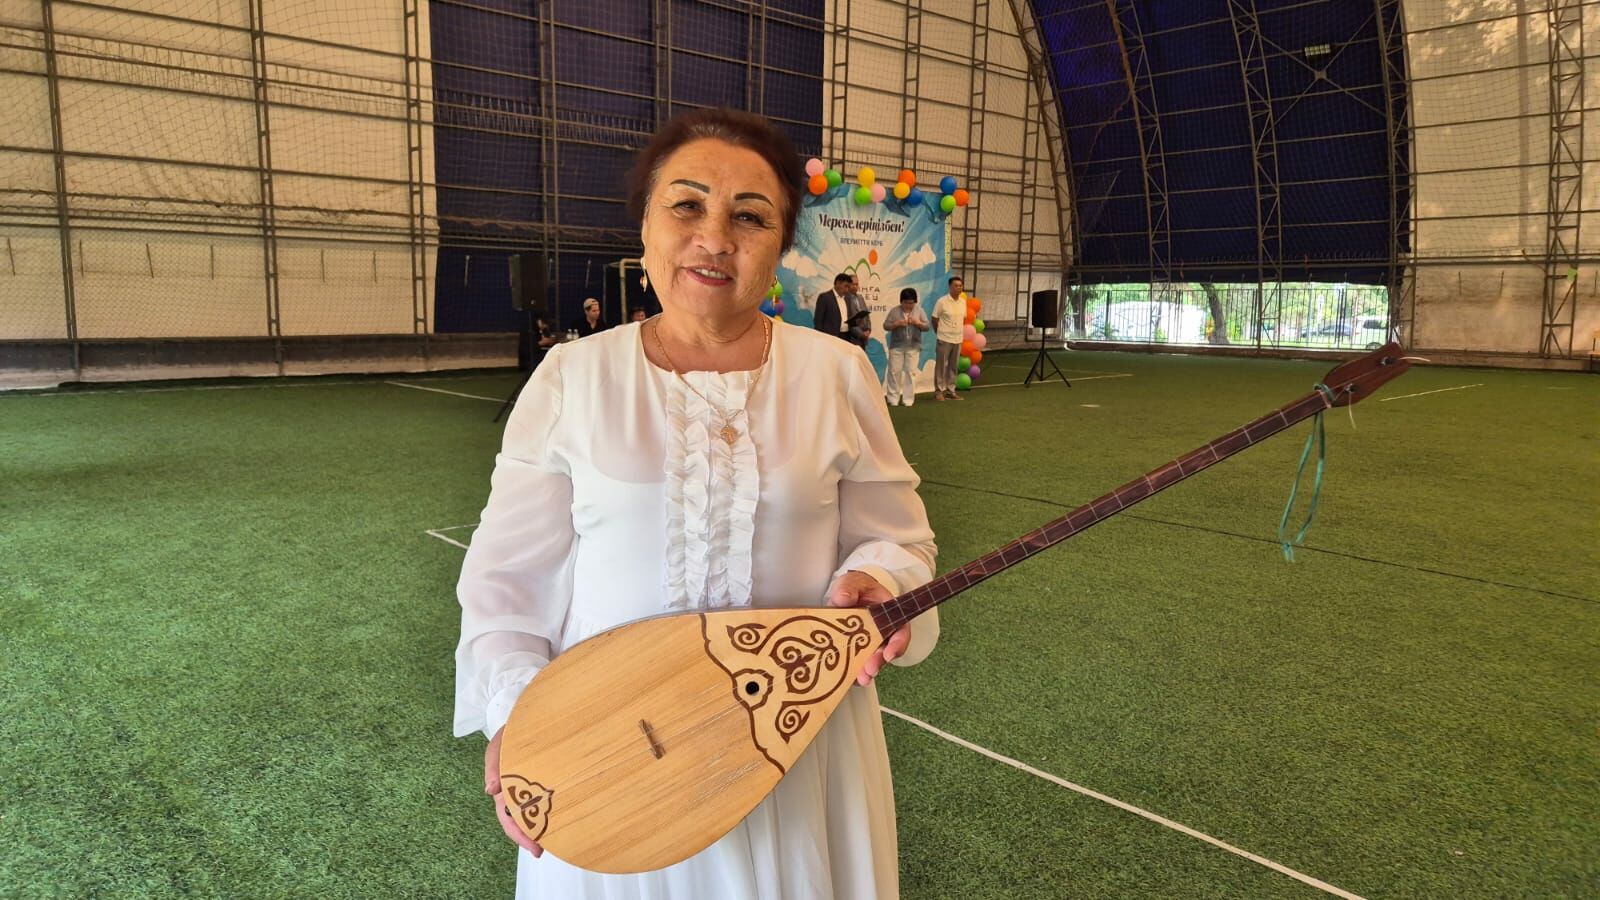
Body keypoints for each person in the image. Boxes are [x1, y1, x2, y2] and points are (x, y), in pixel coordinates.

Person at [454, 107, 940, 900]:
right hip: (609, 758)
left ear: (780, 247)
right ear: (644, 225)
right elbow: (505, 581)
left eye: (749, 217)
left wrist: (879, 579)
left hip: (799, 755)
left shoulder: (837, 374)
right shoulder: (572, 378)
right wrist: (522, 713)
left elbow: (900, 541)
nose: (714, 239)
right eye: (686, 205)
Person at [882, 288, 928, 406]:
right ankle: (893, 399)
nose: (908, 305)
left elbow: (927, 327)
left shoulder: (919, 310)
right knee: (894, 372)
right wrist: (896, 324)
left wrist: (918, 323)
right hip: (896, 346)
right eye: (906, 303)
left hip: (913, 346)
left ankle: (908, 399)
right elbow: (886, 326)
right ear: (901, 301)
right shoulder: (894, 311)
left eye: (911, 303)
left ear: (915, 302)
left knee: (910, 373)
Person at [932, 275, 968, 400]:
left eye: (960, 286)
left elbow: (963, 319)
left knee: (953, 366)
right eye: (956, 286)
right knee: (941, 366)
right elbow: (934, 319)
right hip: (944, 338)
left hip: (958, 339)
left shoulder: (963, 302)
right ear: (950, 287)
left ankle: (951, 390)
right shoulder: (942, 301)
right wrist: (939, 333)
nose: (959, 288)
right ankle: (939, 391)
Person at [811, 272, 853, 341]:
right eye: (846, 286)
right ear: (838, 283)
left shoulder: (848, 298)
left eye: (848, 287)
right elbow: (818, 321)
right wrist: (820, 338)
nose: (847, 290)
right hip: (830, 337)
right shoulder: (824, 297)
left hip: (846, 336)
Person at [844, 274, 871, 348]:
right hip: (852, 339)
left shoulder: (860, 298)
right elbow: (849, 320)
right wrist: (861, 334)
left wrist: (868, 330)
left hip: (864, 339)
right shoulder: (845, 299)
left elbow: (867, 316)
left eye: (857, 284)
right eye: (853, 284)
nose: (855, 286)